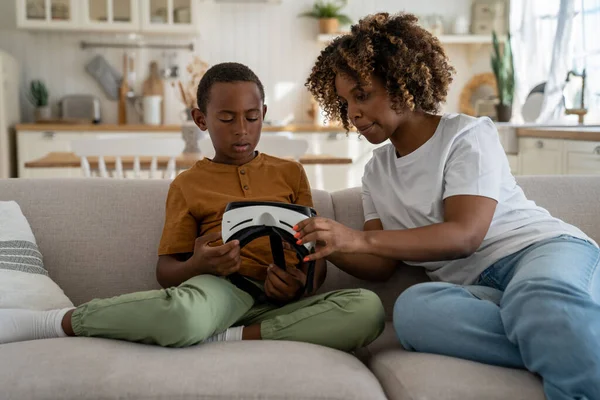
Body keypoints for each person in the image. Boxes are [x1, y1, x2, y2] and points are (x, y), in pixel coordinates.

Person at [297, 12, 600, 400]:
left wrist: (358, 240)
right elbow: (381, 263)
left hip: (539, 252)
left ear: (398, 81)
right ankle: (567, 333)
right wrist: (332, 242)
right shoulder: (377, 172)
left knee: (538, 296)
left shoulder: (467, 135)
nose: (352, 112)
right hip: (476, 291)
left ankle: (562, 334)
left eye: (362, 94)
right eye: (344, 101)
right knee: (413, 313)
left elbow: (464, 235)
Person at [0, 62, 384, 352]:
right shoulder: (187, 184)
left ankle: (229, 336)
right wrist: (199, 265)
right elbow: (166, 272)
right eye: (227, 118)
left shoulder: (291, 173)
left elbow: (313, 263)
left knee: (367, 309)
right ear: (201, 119)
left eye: (252, 118)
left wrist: (299, 285)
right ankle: (52, 323)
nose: (241, 130)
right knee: (182, 313)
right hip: (219, 292)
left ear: (263, 115)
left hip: (279, 304)